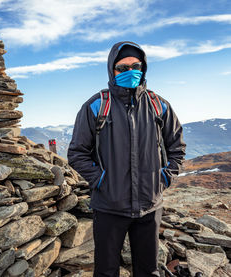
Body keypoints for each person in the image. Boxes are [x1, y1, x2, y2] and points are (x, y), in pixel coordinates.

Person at [67, 41, 186, 276]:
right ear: (112, 70)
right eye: (122, 68)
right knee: (106, 271)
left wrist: (164, 178)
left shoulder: (158, 105)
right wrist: (101, 180)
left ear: (143, 68)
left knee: (148, 270)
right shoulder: (96, 106)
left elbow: (177, 148)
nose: (130, 72)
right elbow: (77, 152)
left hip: (149, 207)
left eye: (136, 66)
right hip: (109, 206)